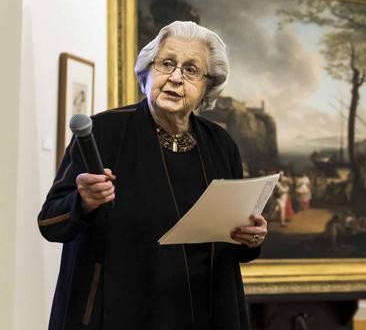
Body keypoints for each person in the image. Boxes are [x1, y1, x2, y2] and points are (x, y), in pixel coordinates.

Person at [37, 21, 267, 330]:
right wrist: (83, 201)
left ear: (207, 87)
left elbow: (234, 245)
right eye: (167, 64)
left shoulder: (221, 145)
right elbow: (50, 223)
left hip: (206, 313)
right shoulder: (103, 133)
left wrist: (250, 238)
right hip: (118, 313)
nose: (175, 77)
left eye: (190, 70)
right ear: (146, 72)